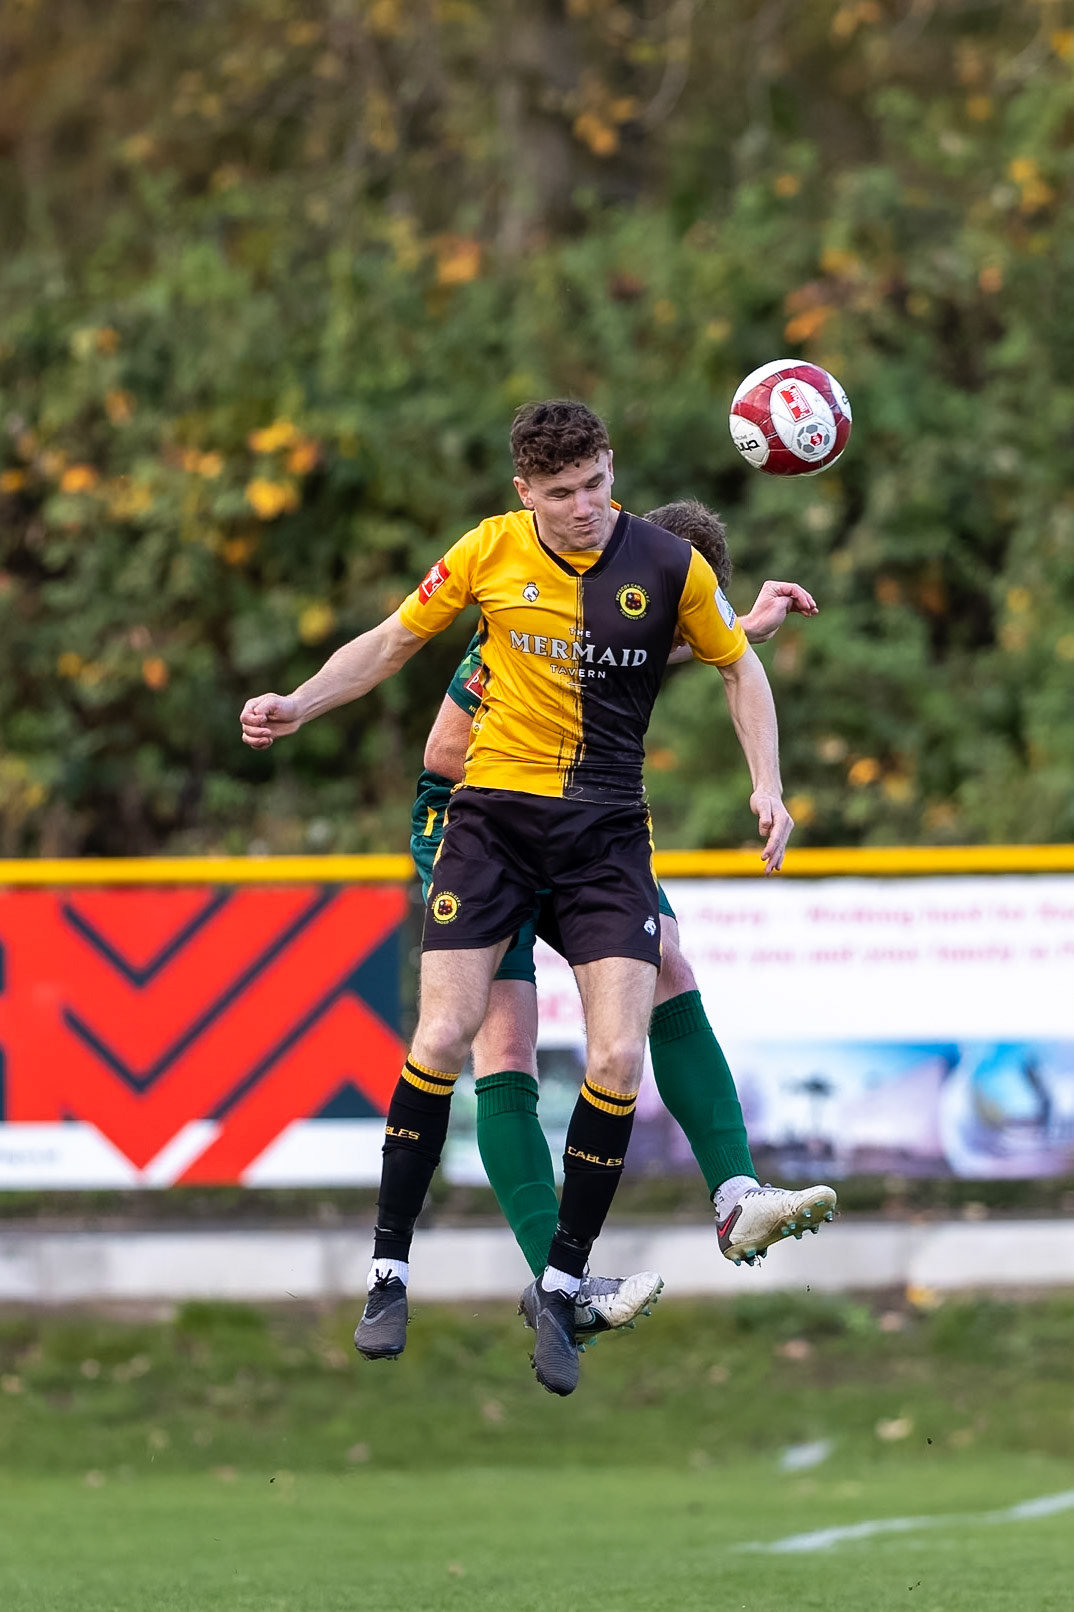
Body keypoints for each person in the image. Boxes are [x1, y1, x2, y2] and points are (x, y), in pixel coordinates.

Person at [241, 400, 792, 1397]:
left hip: (597, 828)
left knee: (654, 978)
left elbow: (696, 660)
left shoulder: (658, 582)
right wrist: (301, 702)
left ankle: (702, 1206)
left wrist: (745, 701)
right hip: (476, 818)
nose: (585, 511)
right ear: (527, 495)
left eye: (597, 487)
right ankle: (482, 1273)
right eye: (562, 494)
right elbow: (439, 737)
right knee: (485, 1039)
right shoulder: (498, 579)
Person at [411, 500, 836, 1354]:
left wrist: (735, 631)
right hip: (477, 828)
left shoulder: (638, 612)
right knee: (506, 1045)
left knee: (669, 963)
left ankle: (736, 1199)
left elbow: (634, 661)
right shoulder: (531, 605)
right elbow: (445, 754)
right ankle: (559, 1286)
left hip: (584, 830)